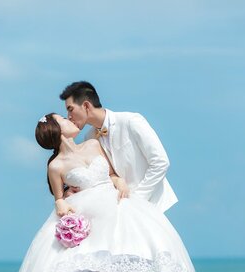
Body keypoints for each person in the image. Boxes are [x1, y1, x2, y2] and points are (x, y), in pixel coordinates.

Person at [5, 113, 210, 272]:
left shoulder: (93, 144)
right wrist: (64, 206)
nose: (72, 121)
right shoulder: (56, 166)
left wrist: (117, 180)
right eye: (64, 120)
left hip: (118, 215)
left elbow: (112, 172)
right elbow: (59, 200)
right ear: (58, 131)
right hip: (93, 222)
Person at [60, 81, 177, 212]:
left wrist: (138, 200)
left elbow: (160, 162)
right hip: (119, 210)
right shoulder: (89, 138)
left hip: (154, 206)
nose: (68, 117)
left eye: (70, 109)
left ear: (86, 106)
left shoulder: (131, 121)